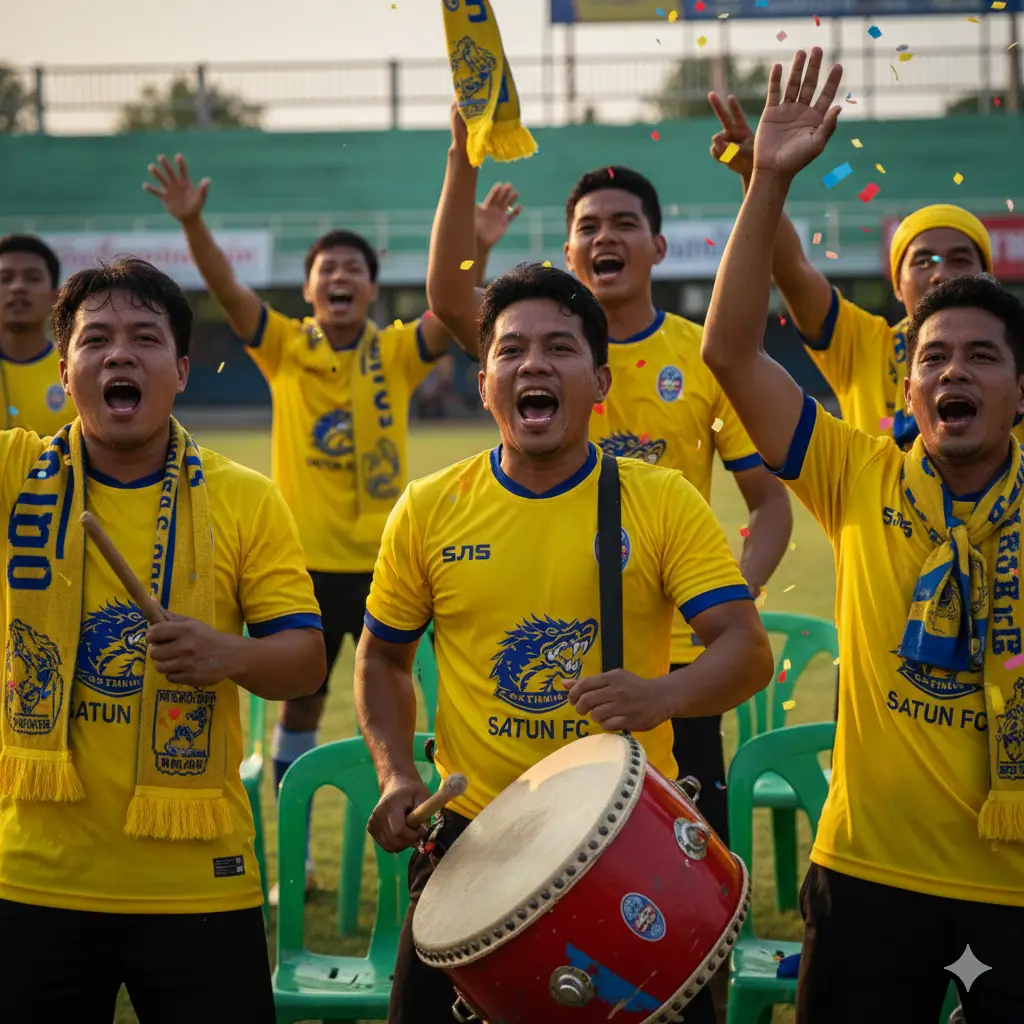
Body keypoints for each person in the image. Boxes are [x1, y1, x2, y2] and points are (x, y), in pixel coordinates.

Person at [356, 261, 775, 1024]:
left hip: (627, 837)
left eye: (560, 347)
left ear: (600, 383)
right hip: (472, 839)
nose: (534, 365)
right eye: (511, 350)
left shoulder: (659, 500)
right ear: (483, 382)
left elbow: (746, 650)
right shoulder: (427, 509)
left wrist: (664, 695)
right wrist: (393, 774)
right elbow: (381, 657)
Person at [701, 47, 1024, 1023]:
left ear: (1019, 387)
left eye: (981, 355)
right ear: (907, 386)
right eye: (932, 359)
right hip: (868, 873)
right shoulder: (855, 472)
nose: (952, 372)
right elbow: (727, 348)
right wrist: (767, 181)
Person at [143, 154, 518, 900]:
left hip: (393, 566)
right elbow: (225, 289)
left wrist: (478, 243)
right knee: (302, 703)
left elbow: (456, 306)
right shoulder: (284, 345)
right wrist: (191, 222)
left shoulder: (396, 350)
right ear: (310, 288)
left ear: (373, 288)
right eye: (327, 268)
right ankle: (300, 862)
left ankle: (451, 841)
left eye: (354, 267)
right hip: (306, 564)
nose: (341, 276)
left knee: (426, 700)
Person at [0, 257, 326, 1022]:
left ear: (180, 371)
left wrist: (229, 654)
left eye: (144, 339)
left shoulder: (245, 497)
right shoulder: (15, 475)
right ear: (64, 368)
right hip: (33, 873)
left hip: (196, 882)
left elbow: (305, 663)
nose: (119, 354)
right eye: (96, 339)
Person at [564, 165, 792, 846]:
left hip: (682, 658)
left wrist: (735, 590)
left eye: (625, 223)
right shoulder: (545, 356)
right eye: (589, 227)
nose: (606, 237)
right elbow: (454, 303)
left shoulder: (702, 357)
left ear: (658, 247)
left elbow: (769, 502)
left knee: (690, 857)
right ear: (568, 251)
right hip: (566, 650)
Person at [706, 90, 1010, 450]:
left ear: (986, 279)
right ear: (896, 285)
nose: (940, 275)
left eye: (960, 260)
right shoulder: (862, 343)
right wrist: (759, 177)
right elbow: (791, 269)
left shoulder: (1013, 355)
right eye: (922, 261)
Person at [0, 234, 76, 434]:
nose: (18, 287)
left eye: (32, 278)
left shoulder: (77, 373)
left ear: (55, 297)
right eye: (4, 278)